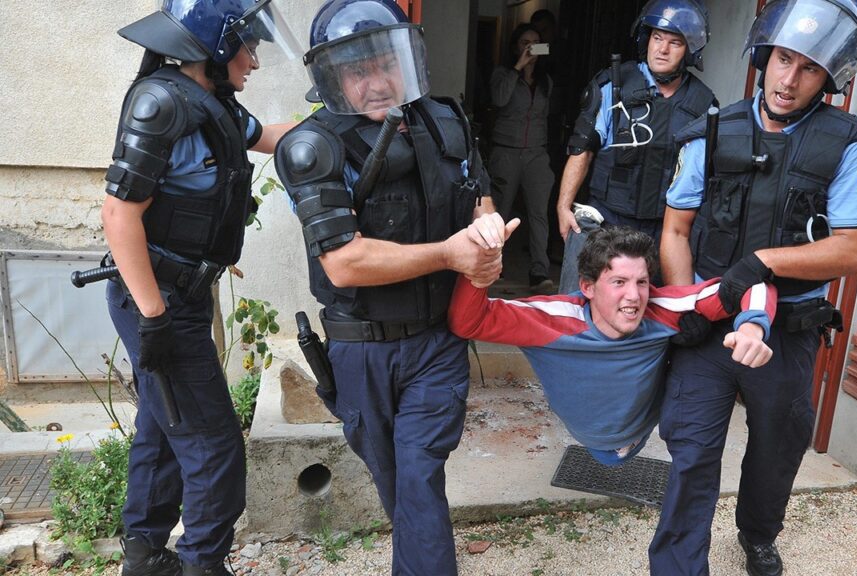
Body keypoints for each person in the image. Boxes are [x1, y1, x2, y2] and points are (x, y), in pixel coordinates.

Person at [652, 1, 857, 574]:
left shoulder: (848, 147)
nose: (788, 79)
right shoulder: (712, 131)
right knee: (691, 452)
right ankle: (678, 563)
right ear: (764, 56)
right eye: (783, 59)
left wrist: (763, 262)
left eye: (808, 67)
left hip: (788, 332)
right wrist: (687, 304)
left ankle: (758, 533)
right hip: (709, 324)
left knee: (777, 447)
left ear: (830, 77)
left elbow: (855, 250)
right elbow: (675, 230)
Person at [274, 1, 504, 574]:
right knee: (397, 484)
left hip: (436, 343)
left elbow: (479, 196)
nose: (377, 82)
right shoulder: (315, 146)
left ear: (408, 61)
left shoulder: (446, 119)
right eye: (359, 70)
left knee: (419, 478)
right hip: (363, 350)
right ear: (334, 77)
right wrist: (449, 254)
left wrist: (487, 241)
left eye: (386, 64)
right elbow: (345, 264)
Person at [100, 1, 302, 575]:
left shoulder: (214, 104)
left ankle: (145, 557)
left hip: (177, 297)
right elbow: (119, 214)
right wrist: (155, 317)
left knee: (163, 428)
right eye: (248, 47)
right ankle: (203, 565)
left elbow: (270, 137)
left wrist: (341, 114)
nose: (255, 61)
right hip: (156, 301)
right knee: (214, 447)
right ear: (216, 46)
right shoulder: (162, 104)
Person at [449, 224, 776, 466]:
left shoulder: (661, 307)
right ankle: (585, 230)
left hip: (642, 426)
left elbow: (751, 284)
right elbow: (469, 322)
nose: (634, 296)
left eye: (642, 282)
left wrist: (752, 328)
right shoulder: (549, 320)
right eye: (619, 282)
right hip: (589, 429)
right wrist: (479, 267)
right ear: (588, 287)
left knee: (694, 336)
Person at [556, 0, 716, 287]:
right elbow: (582, 150)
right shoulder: (613, 86)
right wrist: (563, 207)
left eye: (674, 43)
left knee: (654, 310)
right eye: (657, 38)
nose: (662, 49)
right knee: (578, 304)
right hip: (607, 221)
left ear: (690, 51)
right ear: (646, 40)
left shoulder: (702, 103)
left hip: (664, 230)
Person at [489, 23, 557, 293]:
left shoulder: (546, 81)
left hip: (536, 154)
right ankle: (493, 267)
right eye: (524, 42)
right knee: (499, 213)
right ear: (515, 46)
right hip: (505, 151)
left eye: (535, 42)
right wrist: (518, 67)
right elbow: (499, 99)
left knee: (539, 214)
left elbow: (545, 116)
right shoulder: (502, 74)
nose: (530, 47)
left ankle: (539, 272)